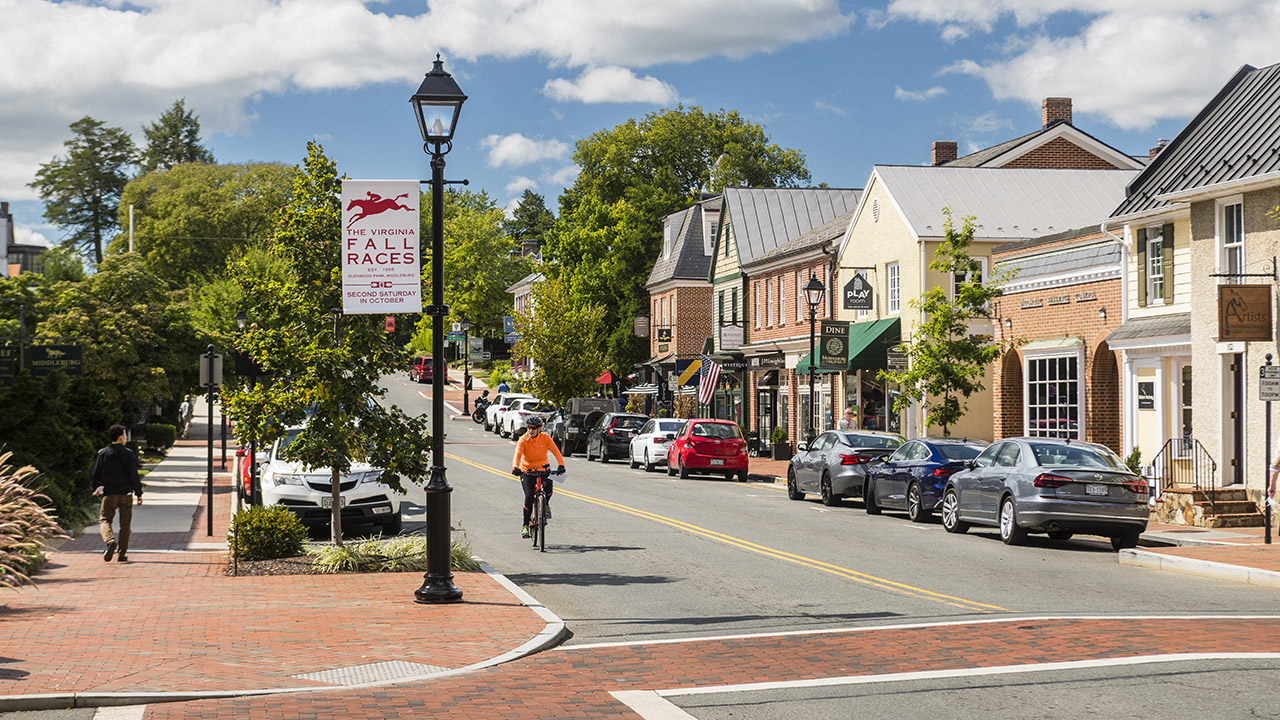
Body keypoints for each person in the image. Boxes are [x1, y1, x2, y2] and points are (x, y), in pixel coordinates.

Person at [91, 424, 144, 562]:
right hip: (126, 494)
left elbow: (96, 473)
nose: (126, 438)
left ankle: (110, 541)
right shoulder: (129, 454)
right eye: (125, 435)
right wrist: (138, 493)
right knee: (125, 525)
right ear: (120, 437)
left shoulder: (103, 453)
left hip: (109, 493)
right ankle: (122, 554)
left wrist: (95, 487)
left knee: (105, 519)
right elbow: (133, 475)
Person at [511, 415, 565, 539]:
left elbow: (556, 451)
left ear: (540, 428)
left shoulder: (545, 438)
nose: (530, 430)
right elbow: (517, 454)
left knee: (549, 489)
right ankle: (525, 525)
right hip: (527, 471)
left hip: (543, 469)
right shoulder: (523, 439)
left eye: (534, 428)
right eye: (529, 427)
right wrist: (515, 467)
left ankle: (545, 505)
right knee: (529, 495)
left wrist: (561, 465)